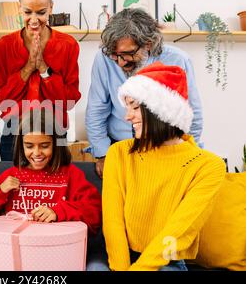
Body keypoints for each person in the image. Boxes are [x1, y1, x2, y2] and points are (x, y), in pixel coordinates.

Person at [87, 62, 226, 271]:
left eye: (135, 107)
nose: (127, 116)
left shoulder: (208, 166)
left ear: (159, 111)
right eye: (127, 108)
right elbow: (113, 221)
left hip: (166, 262)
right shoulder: (119, 153)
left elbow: (180, 229)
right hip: (120, 259)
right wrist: (120, 268)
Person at [85, 8, 203, 178]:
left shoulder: (178, 60)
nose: (119, 62)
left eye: (127, 54)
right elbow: (96, 110)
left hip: (169, 151)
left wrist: (187, 155)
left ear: (148, 43)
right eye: (114, 55)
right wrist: (102, 154)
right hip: (121, 148)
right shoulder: (103, 59)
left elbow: (193, 114)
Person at [0, 0, 81, 161]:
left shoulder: (68, 45)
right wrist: (29, 67)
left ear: (51, 7)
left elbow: (70, 100)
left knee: (56, 187)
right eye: (27, 12)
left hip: (56, 129)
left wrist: (43, 69)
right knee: (14, 186)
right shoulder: (4, 46)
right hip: (13, 131)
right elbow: (1, 100)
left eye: (41, 12)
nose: (33, 19)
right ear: (19, 7)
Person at [0, 108, 101, 234]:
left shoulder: (70, 175)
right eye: (29, 146)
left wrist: (58, 212)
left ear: (56, 144)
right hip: (15, 248)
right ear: (21, 145)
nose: (36, 153)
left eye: (45, 146)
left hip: (56, 248)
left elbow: (95, 212)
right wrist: (0, 191)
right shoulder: (11, 175)